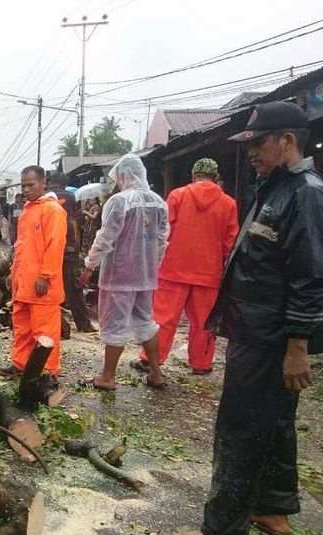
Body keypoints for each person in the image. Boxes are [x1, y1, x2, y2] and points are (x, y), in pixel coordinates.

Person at [175, 101, 323, 535]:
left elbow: (311, 276)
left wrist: (298, 346)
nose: (251, 152)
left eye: (259, 143)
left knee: (242, 424)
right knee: (277, 421)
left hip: (270, 335)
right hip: (259, 328)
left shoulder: (306, 194)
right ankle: (273, 507)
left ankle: (224, 531)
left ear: (287, 141)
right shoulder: (275, 187)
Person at [136, 158, 238, 374]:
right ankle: (201, 365)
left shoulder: (178, 195)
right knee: (204, 322)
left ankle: (150, 360)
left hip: (173, 269)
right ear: (216, 177)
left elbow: (162, 231)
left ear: (194, 175)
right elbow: (231, 241)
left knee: (163, 318)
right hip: (209, 273)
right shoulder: (228, 203)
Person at [79, 153, 169, 391]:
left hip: (118, 275)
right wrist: (152, 266)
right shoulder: (158, 202)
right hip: (145, 276)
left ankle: (107, 377)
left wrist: (89, 265)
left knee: (115, 324)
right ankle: (156, 374)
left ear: (122, 175)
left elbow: (105, 238)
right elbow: (162, 240)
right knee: (145, 321)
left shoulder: (119, 202)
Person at [0, 166, 66, 379]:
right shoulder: (28, 210)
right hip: (23, 283)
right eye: (23, 185)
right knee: (22, 328)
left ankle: (48, 373)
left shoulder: (52, 211)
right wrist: (12, 273)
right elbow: (22, 246)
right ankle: (20, 364)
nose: (26, 189)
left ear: (44, 183)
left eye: (31, 185)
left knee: (44, 331)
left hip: (41, 284)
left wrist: (45, 276)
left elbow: (55, 246)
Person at [49, 172, 95, 333]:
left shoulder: (44, 197)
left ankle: (56, 325)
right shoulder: (70, 196)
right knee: (74, 287)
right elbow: (74, 222)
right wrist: (76, 245)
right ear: (65, 184)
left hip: (49, 249)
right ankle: (83, 324)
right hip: (68, 247)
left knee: (48, 288)